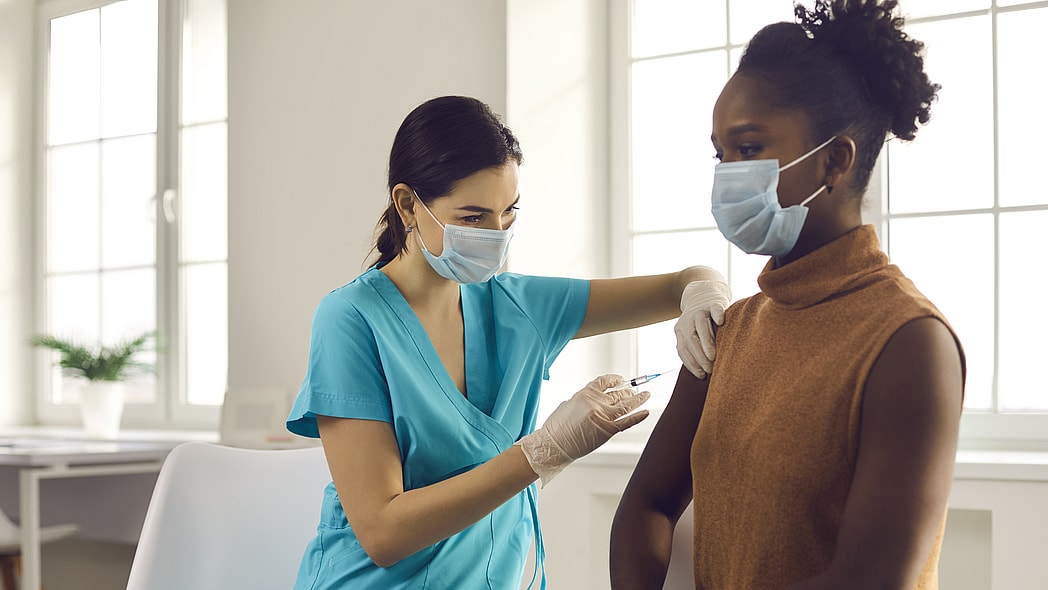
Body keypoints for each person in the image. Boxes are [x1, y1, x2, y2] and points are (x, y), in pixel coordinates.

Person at [286, 95, 732, 589]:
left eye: (508, 214)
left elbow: (684, 281)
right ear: (408, 204)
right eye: (474, 218)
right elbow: (382, 532)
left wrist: (704, 292)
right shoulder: (351, 319)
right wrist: (544, 450)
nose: (497, 236)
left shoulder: (521, 306)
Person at [610, 1, 966, 589]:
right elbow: (647, 503)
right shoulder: (729, 333)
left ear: (833, 160)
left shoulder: (909, 343)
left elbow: (872, 579)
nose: (726, 174)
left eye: (747, 150)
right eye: (720, 153)